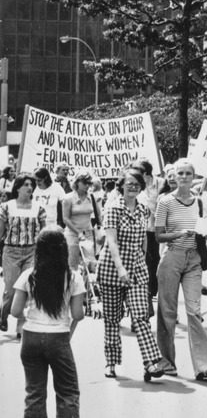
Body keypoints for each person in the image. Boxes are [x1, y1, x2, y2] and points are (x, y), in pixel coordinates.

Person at [97, 167, 166, 381]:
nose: (133, 187)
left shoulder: (144, 210)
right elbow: (111, 241)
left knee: (140, 316)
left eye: (137, 184)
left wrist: (142, 261)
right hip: (112, 269)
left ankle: (151, 362)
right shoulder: (113, 208)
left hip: (136, 270)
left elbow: (144, 239)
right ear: (121, 186)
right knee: (112, 318)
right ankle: (111, 362)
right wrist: (120, 268)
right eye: (129, 184)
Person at [155, 158, 207, 380]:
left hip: (193, 259)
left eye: (187, 174)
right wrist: (179, 233)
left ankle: (204, 365)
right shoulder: (165, 202)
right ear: (173, 176)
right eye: (179, 173)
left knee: (194, 311)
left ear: (193, 177)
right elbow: (158, 235)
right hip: (172, 256)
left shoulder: (198, 201)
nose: (183, 177)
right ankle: (167, 362)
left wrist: (205, 233)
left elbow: (202, 227)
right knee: (167, 312)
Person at [10, 229, 85, 417]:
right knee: (67, 392)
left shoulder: (29, 275)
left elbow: (15, 311)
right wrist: (69, 328)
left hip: (30, 337)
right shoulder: (73, 277)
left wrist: (27, 319)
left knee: (34, 394)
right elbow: (78, 313)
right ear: (64, 250)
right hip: (59, 337)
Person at [0, 174, 46, 336]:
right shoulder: (7, 207)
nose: (29, 187)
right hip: (11, 252)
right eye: (26, 184)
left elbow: (43, 232)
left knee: (27, 289)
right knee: (11, 290)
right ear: (17, 187)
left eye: (32, 184)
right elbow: (1, 231)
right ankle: (3, 314)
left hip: (31, 252)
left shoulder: (38, 208)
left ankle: (21, 325)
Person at [132, 159, 165, 312]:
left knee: (156, 262)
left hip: (158, 230)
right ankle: (146, 298)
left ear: (146, 173)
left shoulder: (161, 183)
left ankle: (153, 291)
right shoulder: (136, 186)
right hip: (141, 231)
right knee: (143, 263)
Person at [62, 170, 101, 271]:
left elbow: (98, 214)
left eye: (89, 183)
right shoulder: (68, 198)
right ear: (77, 182)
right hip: (72, 234)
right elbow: (65, 219)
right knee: (72, 265)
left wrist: (100, 229)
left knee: (91, 264)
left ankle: (87, 286)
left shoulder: (91, 197)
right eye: (84, 183)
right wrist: (78, 233)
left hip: (88, 233)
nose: (87, 186)